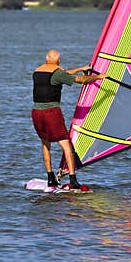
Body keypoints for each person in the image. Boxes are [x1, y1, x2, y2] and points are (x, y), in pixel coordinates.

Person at [31, 49, 105, 191]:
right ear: (58, 61)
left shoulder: (38, 71)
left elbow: (64, 74)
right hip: (51, 112)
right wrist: (99, 77)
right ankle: (73, 180)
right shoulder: (58, 73)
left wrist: (81, 68)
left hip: (36, 112)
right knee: (67, 146)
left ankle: (50, 178)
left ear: (47, 59)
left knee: (45, 144)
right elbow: (80, 80)